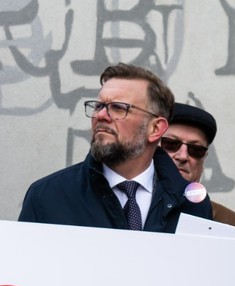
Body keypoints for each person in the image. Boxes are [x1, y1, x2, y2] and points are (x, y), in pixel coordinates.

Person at [19, 63, 212, 230]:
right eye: (98, 106)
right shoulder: (47, 196)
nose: (101, 115)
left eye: (119, 108)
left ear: (155, 129)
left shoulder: (191, 203)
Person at [163, 102, 235, 228]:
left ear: (204, 159)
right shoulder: (132, 211)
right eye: (171, 144)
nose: (183, 156)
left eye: (196, 149)